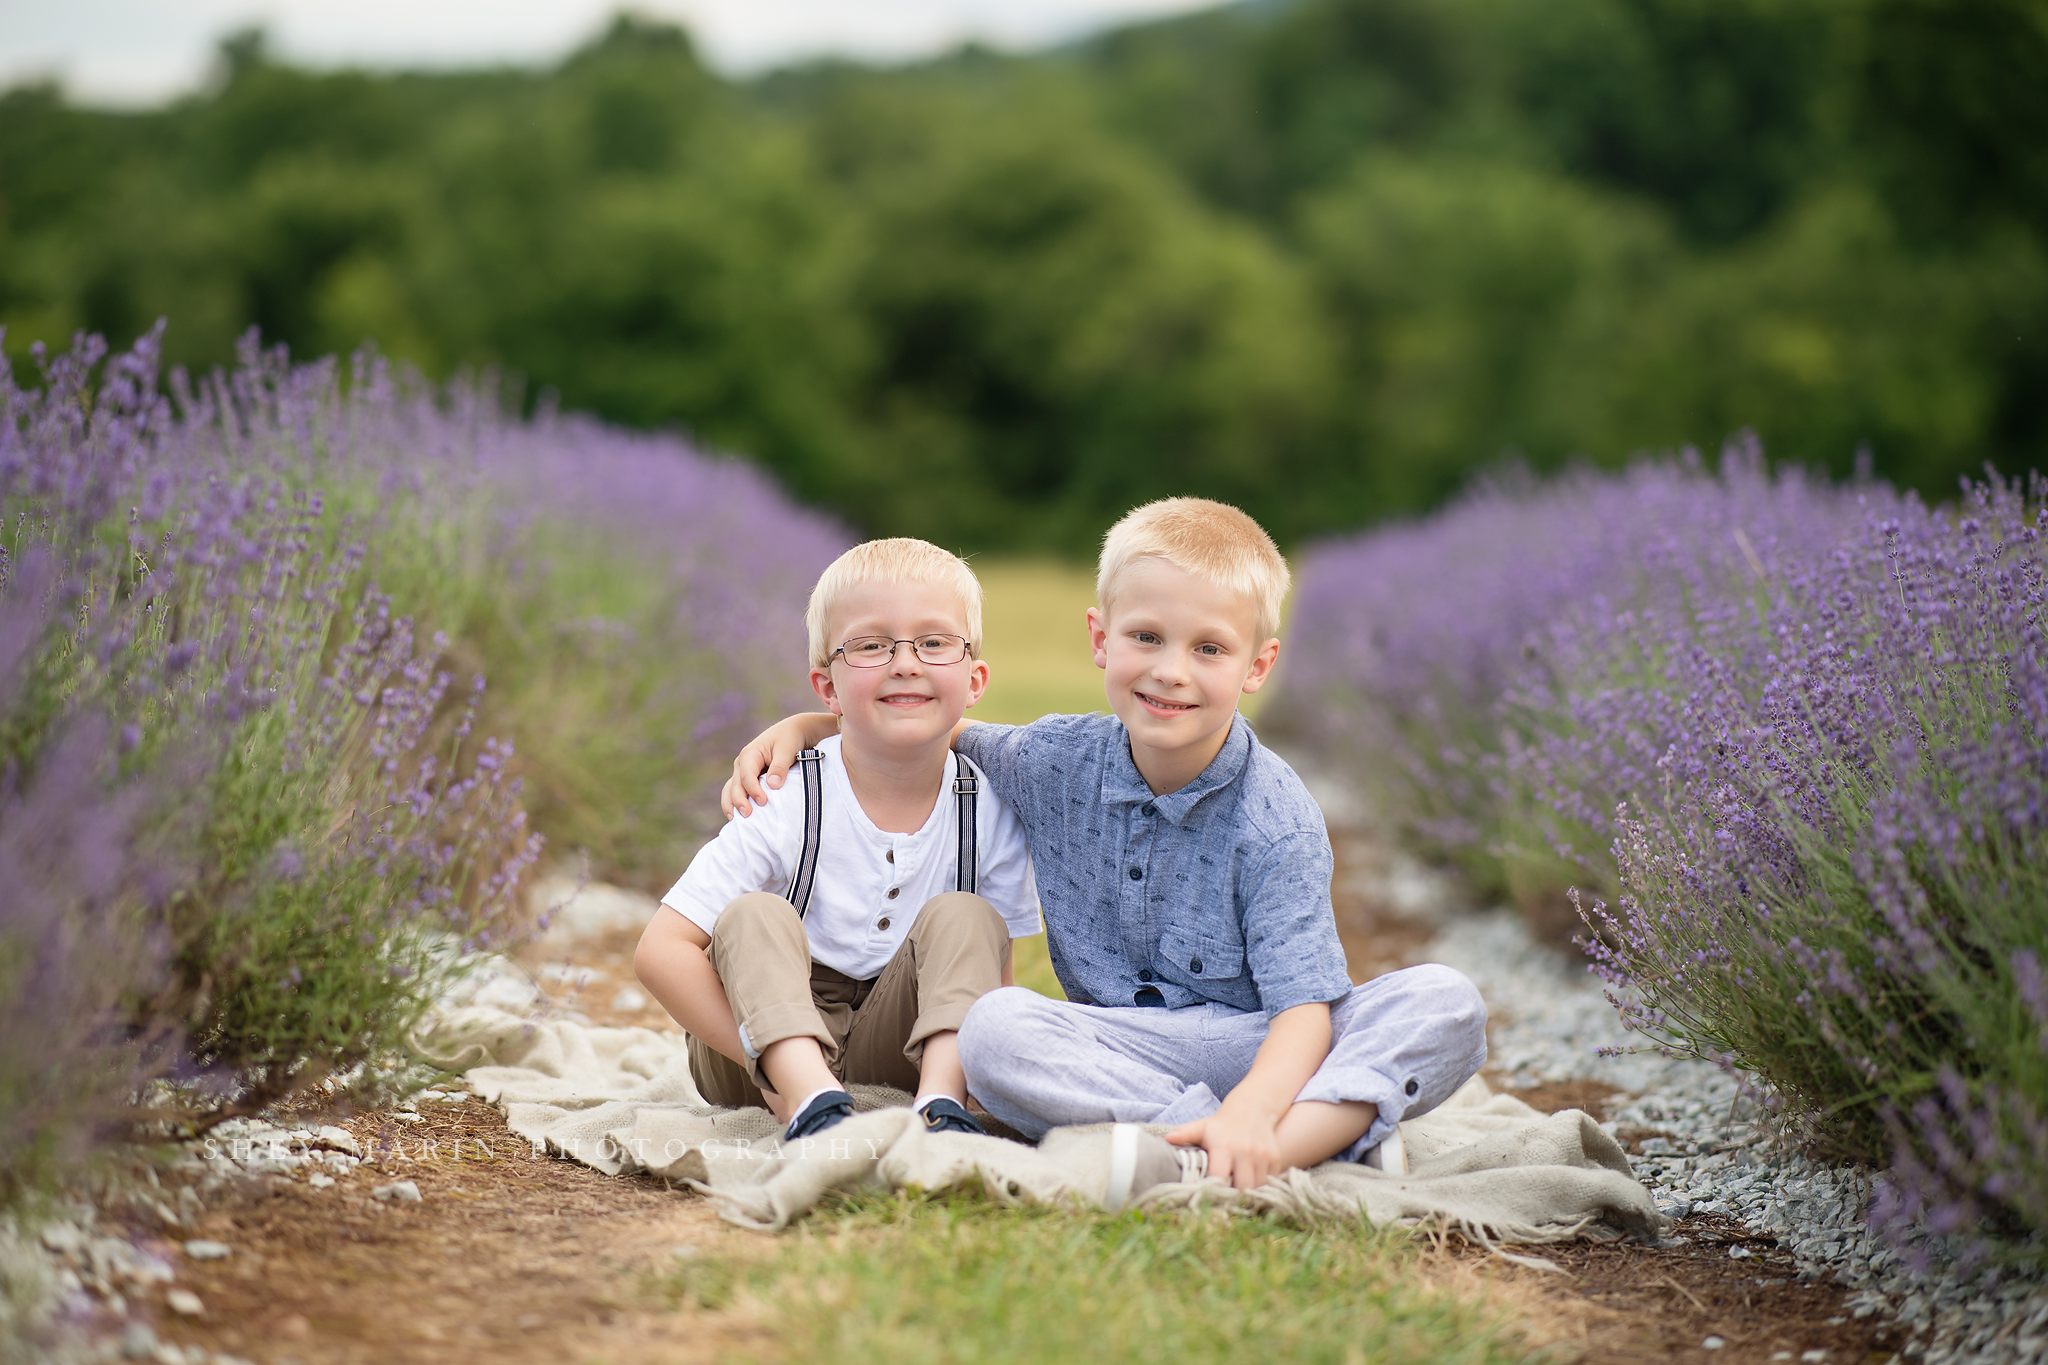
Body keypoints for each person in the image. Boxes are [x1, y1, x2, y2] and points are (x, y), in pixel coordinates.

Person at [723, 498, 1487, 1197]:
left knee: (1444, 1002)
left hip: (1259, 1041)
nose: (1170, 670)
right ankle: (1296, 1143)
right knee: (995, 1029)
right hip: (1119, 1048)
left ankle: (1260, 1145)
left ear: (1258, 665)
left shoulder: (1275, 818)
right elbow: (927, 720)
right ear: (1101, 638)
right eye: (1146, 636)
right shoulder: (1055, 760)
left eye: (1209, 649)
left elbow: (1304, 1015)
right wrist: (803, 726)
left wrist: (1253, 1104)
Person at [635, 538, 1041, 1144]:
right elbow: (660, 950)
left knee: (969, 915)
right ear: (826, 687)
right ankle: (809, 1102)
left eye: (933, 643)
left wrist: (994, 1074)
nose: (906, 663)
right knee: (753, 913)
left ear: (974, 677)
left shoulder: (988, 804)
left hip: (899, 1045)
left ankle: (942, 1107)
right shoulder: (786, 794)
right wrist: (758, 1060)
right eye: (872, 646)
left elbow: (990, 973)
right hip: (755, 1046)